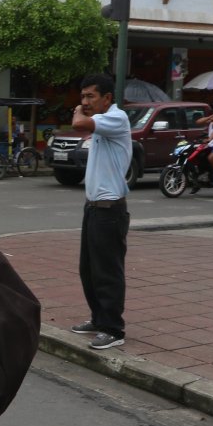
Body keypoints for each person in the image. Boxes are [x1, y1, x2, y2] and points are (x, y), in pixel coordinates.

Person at [68, 74, 132, 350]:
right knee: (89, 270)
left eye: (90, 96)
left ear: (108, 98)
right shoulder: (104, 124)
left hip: (110, 210)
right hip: (94, 208)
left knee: (108, 271)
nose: (85, 102)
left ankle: (113, 328)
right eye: (82, 97)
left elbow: (78, 123)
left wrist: (77, 111)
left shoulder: (117, 118)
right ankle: (98, 318)